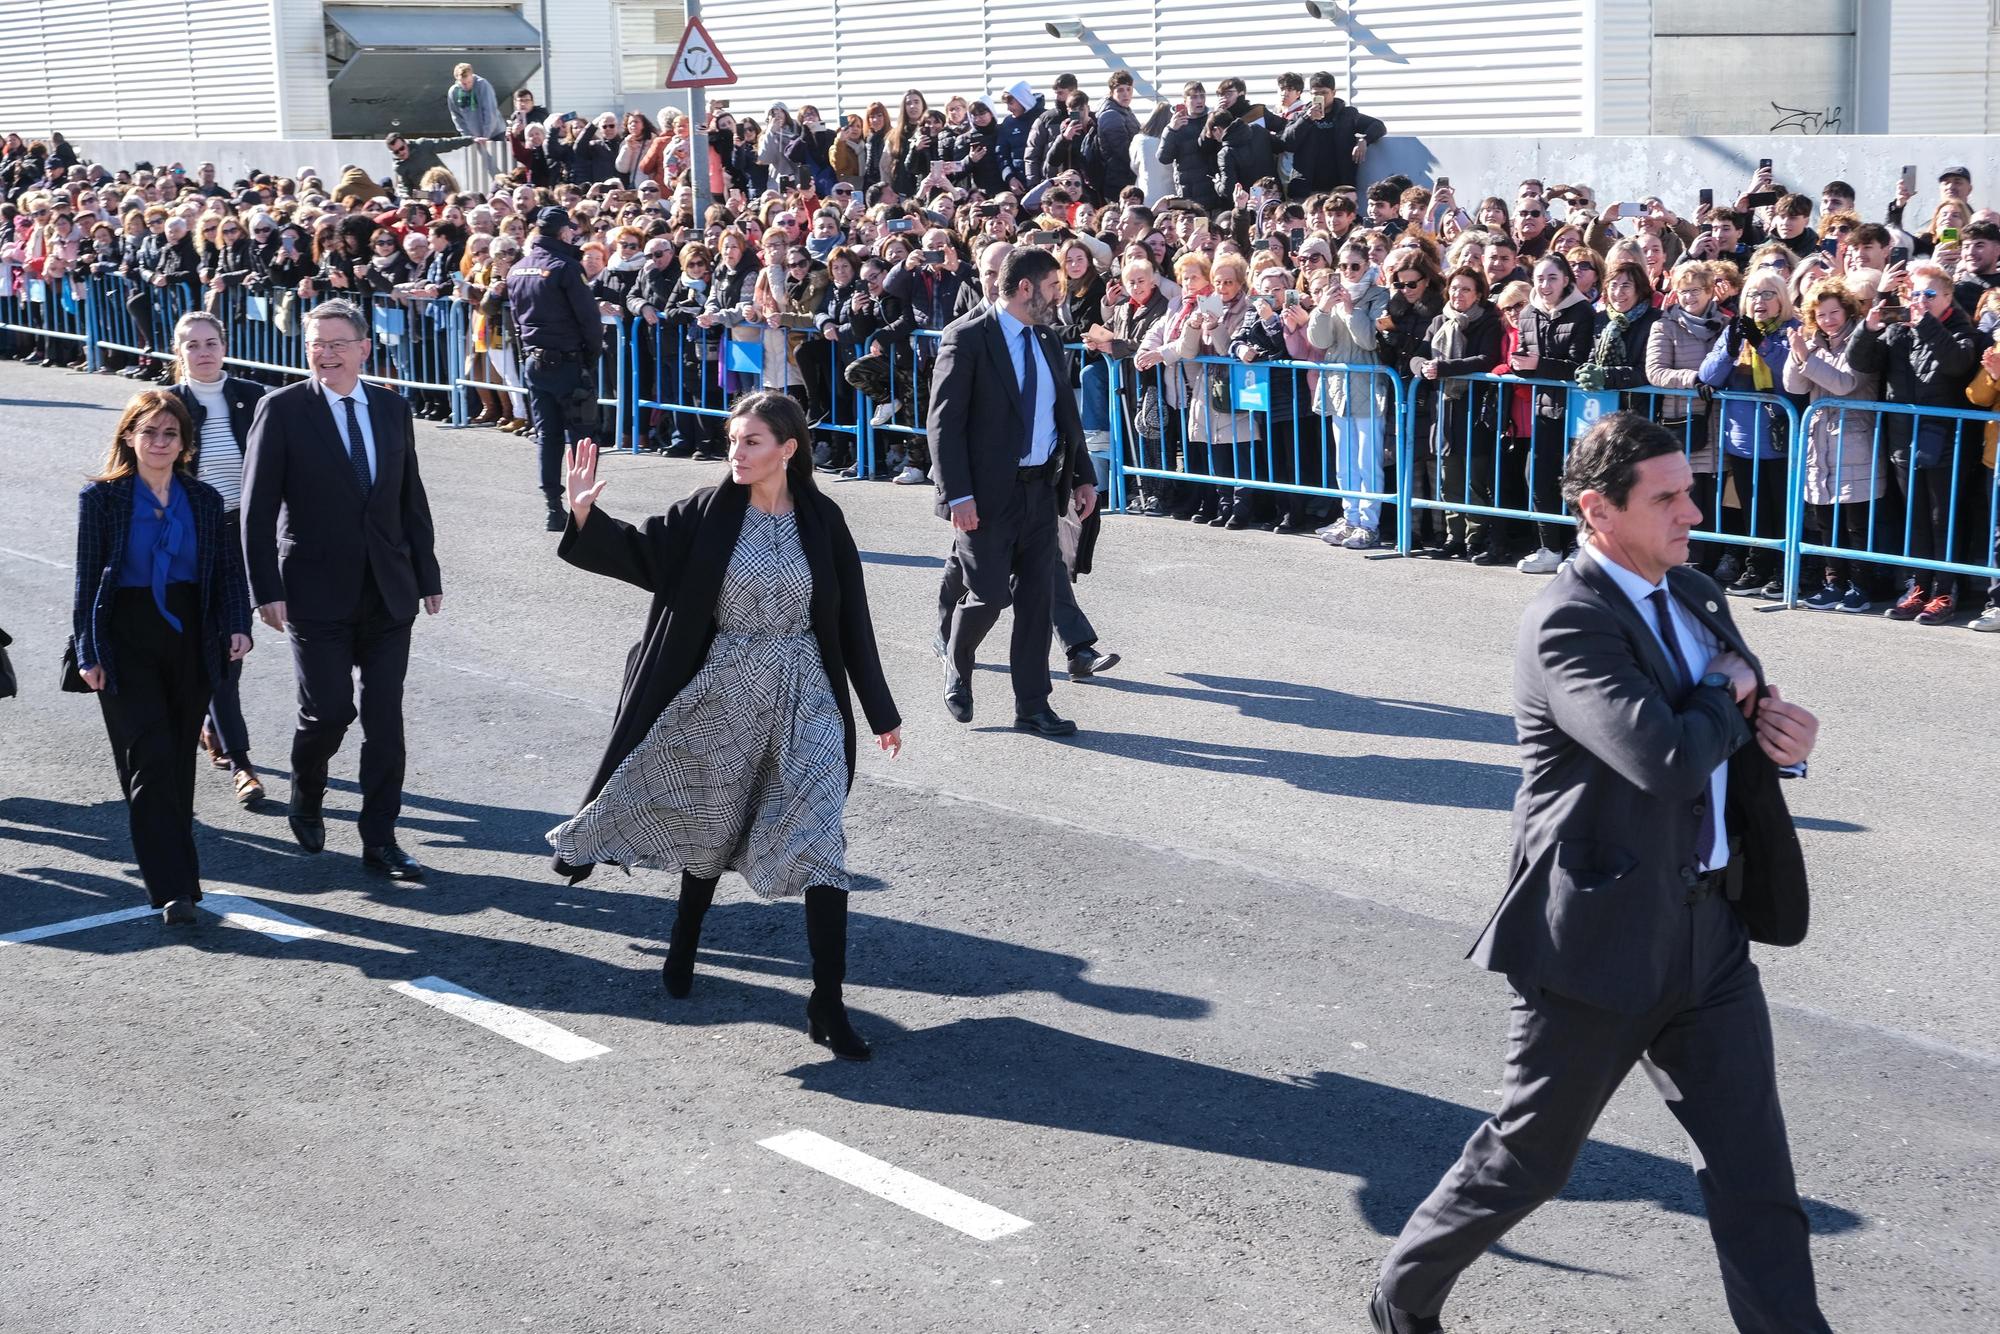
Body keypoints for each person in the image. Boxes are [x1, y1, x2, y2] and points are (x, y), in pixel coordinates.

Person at [1370, 411, 1827, 1334]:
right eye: (1665, 498)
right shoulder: (1567, 620)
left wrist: (1785, 744)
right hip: (1598, 942)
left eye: (1689, 490)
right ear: (1597, 509)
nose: (1691, 511)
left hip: (1710, 937)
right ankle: (1402, 1297)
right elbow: (1658, 755)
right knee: (1528, 1162)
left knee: (1757, 1182)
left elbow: (1734, 722)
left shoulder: (1696, 592)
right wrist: (1725, 702)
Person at [546, 396, 902, 1061]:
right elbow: (642, 556)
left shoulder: (823, 520)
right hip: (725, 690)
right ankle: (684, 939)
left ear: (789, 449)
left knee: (821, 839)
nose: (736, 454)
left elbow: (851, 616)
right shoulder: (707, 513)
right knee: (713, 823)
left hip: (806, 695)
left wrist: (880, 711)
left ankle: (827, 1003)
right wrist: (585, 514)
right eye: (732, 442)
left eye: (752, 442)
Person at [241, 299, 443, 882]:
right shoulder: (280, 410)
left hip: (388, 590)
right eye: (316, 344)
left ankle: (380, 839)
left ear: (363, 348)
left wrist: (426, 575)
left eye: (336, 343)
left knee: (385, 720)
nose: (324, 353)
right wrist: (265, 587)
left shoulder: (391, 407)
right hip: (312, 591)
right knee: (328, 711)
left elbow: (411, 496)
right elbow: (256, 511)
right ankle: (307, 788)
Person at [71, 391, 253, 925]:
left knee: (177, 759)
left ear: (184, 444)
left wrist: (236, 624)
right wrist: (89, 651)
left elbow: (224, 571)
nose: (159, 442)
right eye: (148, 432)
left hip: (189, 634)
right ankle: (173, 890)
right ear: (129, 436)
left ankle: (182, 877)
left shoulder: (203, 498)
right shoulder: (101, 498)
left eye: (169, 434)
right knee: (147, 760)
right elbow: (86, 583)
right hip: (125, 637)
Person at [928, 247, 1099, 736]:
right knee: (988, 596)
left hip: (1042, 490)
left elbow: (1064, 415)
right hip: (985, 496)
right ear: (1025, 288)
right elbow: (943, 425)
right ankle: (958, 661)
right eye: (1052, 287)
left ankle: (1032, 704)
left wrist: (1083, 477)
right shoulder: (967, 337)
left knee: (1036, 601)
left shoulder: (1046, 339)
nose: (1058, 296)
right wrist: (957, 495)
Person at [168, 311, 269, 805]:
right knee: (221, 648)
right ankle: (243, 764)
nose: (204, 352)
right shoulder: (167, 405)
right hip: (193, 541)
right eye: (193, 345)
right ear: (179, 351)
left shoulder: (255, 397)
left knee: (234, 641)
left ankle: (213, 723)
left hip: (246, 536)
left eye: (211, 342)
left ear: (224, 345)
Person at [507, 207, 604, 531]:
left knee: (547, 436)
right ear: (562, 232)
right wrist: (591, 357)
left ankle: (553, 508)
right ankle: (585, 508)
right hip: (567, 361)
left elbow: (517, 321)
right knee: (583, 436)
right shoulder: (565, 267)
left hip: (535, 362)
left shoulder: (518, 268)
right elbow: (589, 319)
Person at [446, 63, 505, 142]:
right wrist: (468, 137)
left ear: (472, 76)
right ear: (457, 80)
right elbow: (457, 117)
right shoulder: (453, 92)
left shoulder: (483, 85)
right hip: (473, 137)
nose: (467, 86)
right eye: (463, 83)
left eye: (470, 82)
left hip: (494, 133)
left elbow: (490, 112)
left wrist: (486, 136)